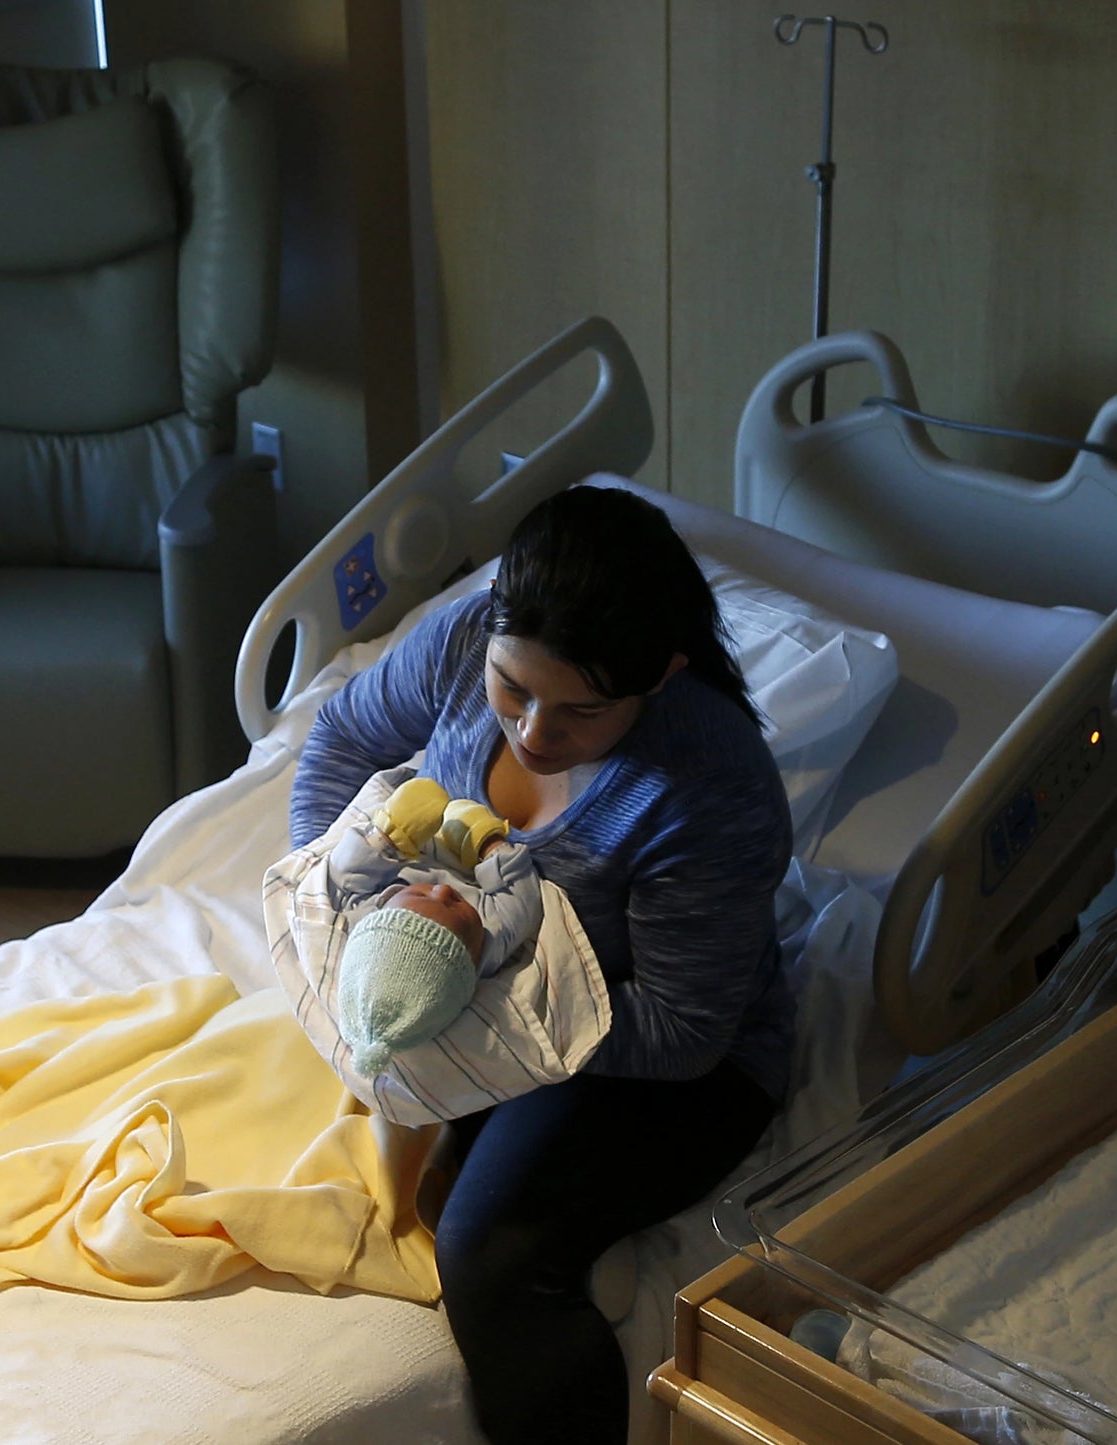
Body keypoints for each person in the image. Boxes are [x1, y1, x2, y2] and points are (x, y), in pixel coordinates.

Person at [288, 482, 794, 1445]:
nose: (531, 732)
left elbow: (684, 1032)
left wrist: (473, 974)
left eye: (580, 713)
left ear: (660, 677)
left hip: (658, 1057)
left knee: (486, 1252)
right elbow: (343, 735)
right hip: (475, 982)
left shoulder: (707, 788)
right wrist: (342, 894)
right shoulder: (463, 638)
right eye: (512, 689)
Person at [324, 774, 546, 1075]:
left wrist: (386, 837)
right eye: (456, 906)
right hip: (469, 856)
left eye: (418, 895)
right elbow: (523, 901)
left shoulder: (368, 920)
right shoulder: (489, 940)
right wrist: (488, 844)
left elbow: (343, 879)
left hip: (409, 848)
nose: (441, 891)